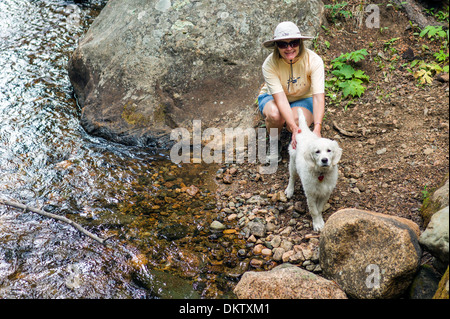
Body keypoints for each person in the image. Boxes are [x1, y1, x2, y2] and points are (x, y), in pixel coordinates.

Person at [258, 21, 325, 161]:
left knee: (298, 120)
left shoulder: (314, 60)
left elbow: (318, 96)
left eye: (293, 43)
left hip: (304, 98)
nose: (289, 48)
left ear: (300, 43)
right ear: (276, 46)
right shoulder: (269, 64)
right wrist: (293, 127)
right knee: (275, 115)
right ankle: (274, 141)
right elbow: (280, 98)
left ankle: (294, 141)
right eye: (283, 44)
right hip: (272, 97)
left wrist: (317, 128)